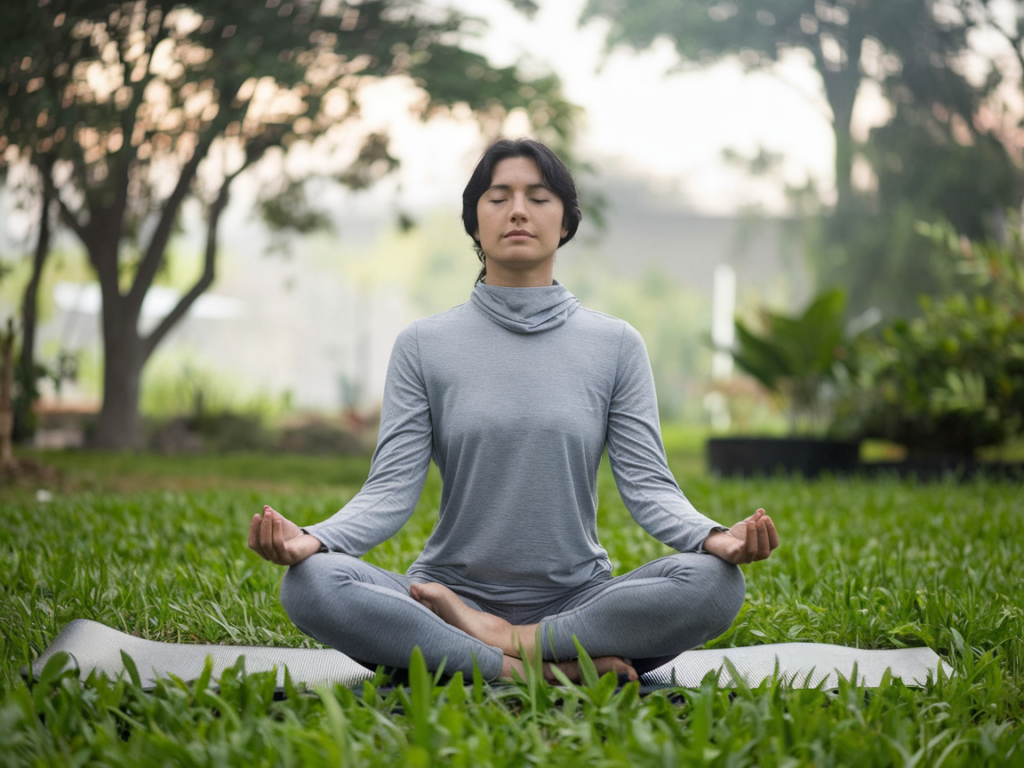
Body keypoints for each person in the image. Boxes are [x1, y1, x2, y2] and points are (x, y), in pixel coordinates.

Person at [248, 138, 780, 682]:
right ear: (475, 223)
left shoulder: (616, 344)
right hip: (444, 600)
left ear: (566, 222)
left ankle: (509, 645)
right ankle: (531, 671)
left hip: (580, 604)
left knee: (715, 584)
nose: (519, 210)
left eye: (539, 197)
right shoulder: (423, 345)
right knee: (311, 584)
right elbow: (388, 492)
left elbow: (649, 487)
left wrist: (714, 537)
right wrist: (315, 539)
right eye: (498, 197)